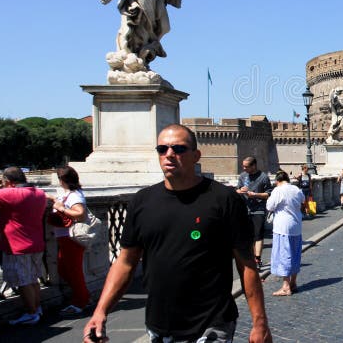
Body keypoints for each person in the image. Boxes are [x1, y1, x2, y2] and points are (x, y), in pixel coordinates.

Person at [82, 124, 271, 343]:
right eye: (162, 149)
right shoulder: (142, 202)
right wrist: (100, 311)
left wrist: (260, 323)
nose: (169, 154)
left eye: (178, 149)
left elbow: (246, 265)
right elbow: (125, 262)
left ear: (195, 156)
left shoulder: (224, 199)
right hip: (159, 326)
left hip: (211, 324)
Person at [0, 167, 48, 325]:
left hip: (17, 245)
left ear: (8, 182)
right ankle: (37, 308)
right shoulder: (39, 193)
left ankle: (31, 313)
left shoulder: (11, 194)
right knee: (33, 279)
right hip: (36, 243)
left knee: (23, 281)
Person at [47, 165, 90, 315]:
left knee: (73, 272)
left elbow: (80, 213)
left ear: (62, 179)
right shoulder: (70, 194)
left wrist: (61, 208)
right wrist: (52, 198)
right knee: (64, 270)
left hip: (71, 238)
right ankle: (81, 296)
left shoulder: (75, 196)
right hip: (65, 238)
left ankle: (80, 301)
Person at [266, 171, 305, 296]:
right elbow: (302, 201)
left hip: (282, 227)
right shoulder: (297, 189)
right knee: (294, 254)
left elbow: (269, 206)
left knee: (284, 255)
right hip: (296, 226)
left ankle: (286, 286)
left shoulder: (278, 190)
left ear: (277, 181)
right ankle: (293, 283)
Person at [236, 156, 272, 269]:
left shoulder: (263, 177)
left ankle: (257, 259)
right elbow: (236, 189)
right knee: (247, 236)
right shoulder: (242, 176)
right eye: (243, 166)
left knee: (258, 235)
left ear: (254, 166)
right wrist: (240, 191)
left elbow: (268, 194)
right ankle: (249, 258)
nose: (244, 168)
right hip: (245, 209)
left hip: (258, 210)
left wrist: (255, 195)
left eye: (246, 166)